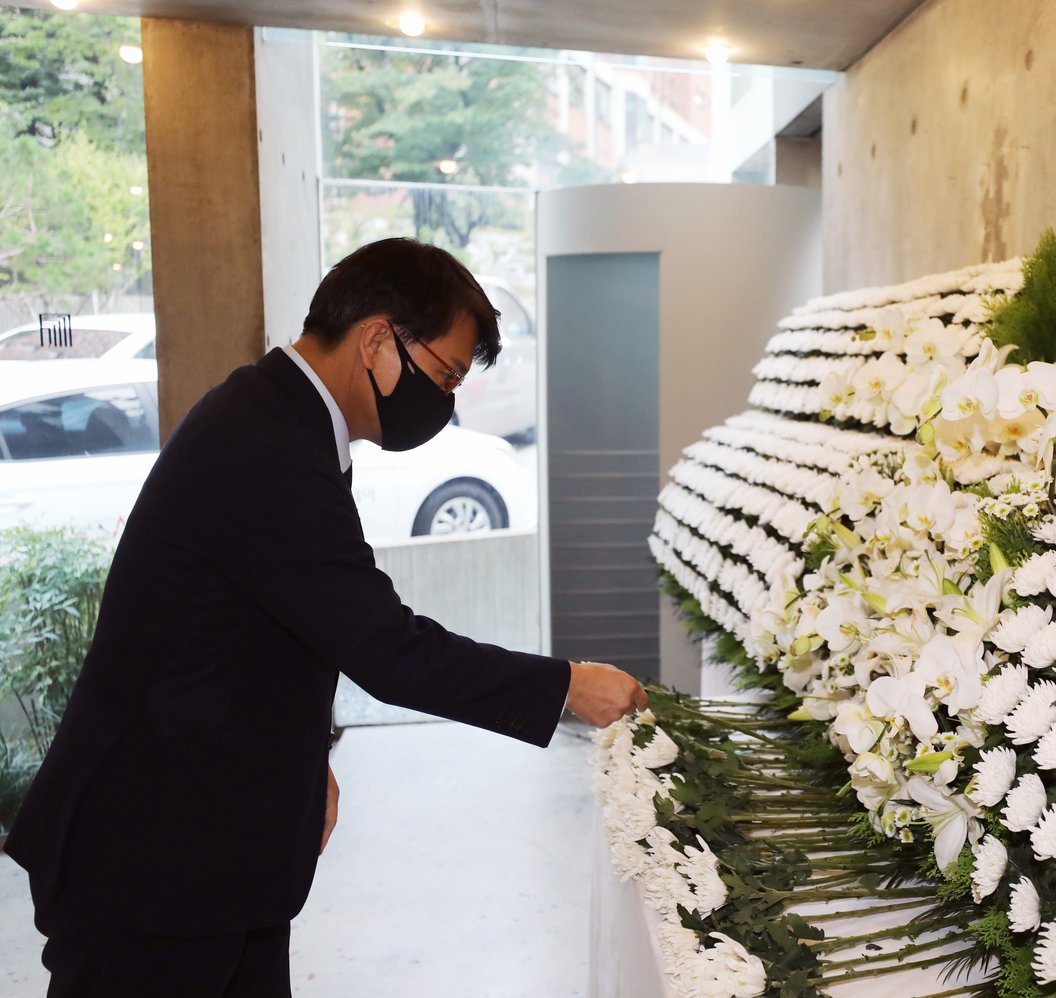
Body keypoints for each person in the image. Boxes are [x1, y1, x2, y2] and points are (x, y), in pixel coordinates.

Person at [3, 237, 648, 996]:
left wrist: (308, 758)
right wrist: (567, 686)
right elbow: (384, 646)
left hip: (217, 848)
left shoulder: (283, 418)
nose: (443, 403)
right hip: (151, 862)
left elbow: (265, 630)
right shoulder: (265, 442)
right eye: (442, 375)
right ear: (378, 339)